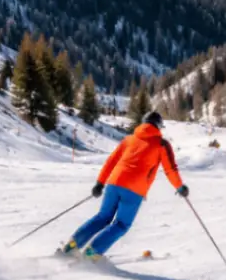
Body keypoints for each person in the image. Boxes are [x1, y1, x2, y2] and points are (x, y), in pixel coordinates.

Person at [60, 111, 187, 261]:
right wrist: (180, 187)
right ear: (159, 126)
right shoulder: (161, 144)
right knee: (121, 224)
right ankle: (92, 253)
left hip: (114, 183)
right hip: (134, 189)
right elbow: (170, 169)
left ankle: (72, 245)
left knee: (102, 217)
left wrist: (100, 183)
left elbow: (111, 161)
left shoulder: (129, 139)